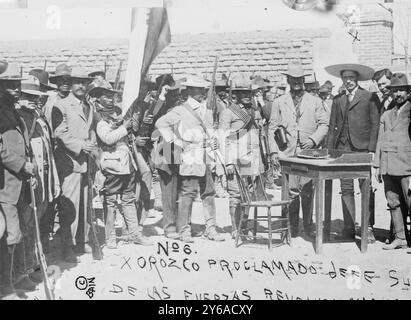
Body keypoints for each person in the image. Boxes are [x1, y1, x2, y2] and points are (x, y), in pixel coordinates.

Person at [155, 76, 225, 243]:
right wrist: (176, 142)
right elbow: (160, 123)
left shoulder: (207, 110)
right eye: (198, 90)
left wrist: (217, 155)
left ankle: (211, 228)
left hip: (206, 156)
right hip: (190, 157)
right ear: (189, 92)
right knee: (188, 193)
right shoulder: (180, 110)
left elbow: (211, 134)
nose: (202, 93)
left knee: (208, 192)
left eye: (203, 90)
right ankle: (184, 230)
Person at [268, 64, 329, 238]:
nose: (296, 83)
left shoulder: (315, 101)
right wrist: (273, 152)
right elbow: (272, 128)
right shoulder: (279, 102)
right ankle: (290, 227)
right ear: (288, 80)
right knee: (290, 191)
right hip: (288, 153)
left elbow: (324, 124)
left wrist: (313, 140)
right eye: (292, 79)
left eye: (299, 79)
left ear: (303, 81)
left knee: (308, 190)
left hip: (309, 153)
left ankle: (308, 226)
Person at [90, 80, 153, 248]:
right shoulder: (97, 115)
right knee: (110, 202)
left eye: (112, 96)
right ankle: (110, 238)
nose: (111, 99)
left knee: (128, 199)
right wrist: (125, 127)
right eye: (106, 96)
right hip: (111, 164)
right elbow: (107, 138)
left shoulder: (118, 111)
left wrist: (131, 127)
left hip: (127, 161)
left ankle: (134, 233)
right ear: (98, 97)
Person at [325, 63, 380, 241]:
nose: (348, 80)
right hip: (342, 149)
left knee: (366, 187)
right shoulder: (337, 99)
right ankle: (348, 228)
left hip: (362, 148)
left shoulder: (369, 97)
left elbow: (375, 125)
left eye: (351, 77)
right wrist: (329, 150)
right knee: (346, 188)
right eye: (345, 77)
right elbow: (332, 127)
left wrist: (372, 150)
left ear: (357, 78)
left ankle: (367, 227)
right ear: (342, 79)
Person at [0, 63, 39, 297]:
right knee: (9, 236)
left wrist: (29, 172)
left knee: (19, 232)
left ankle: (17, 276)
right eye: (9, 84)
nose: (16, 88)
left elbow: (23, 145)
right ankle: (5, 285)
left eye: (17, 84)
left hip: (20, 182)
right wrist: (22, 165)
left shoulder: (13, 110)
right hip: (5, 185)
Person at [51, 67, 95, 263]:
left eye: (85, 83)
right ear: (71, 83)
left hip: (86, 161)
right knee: (70, 206)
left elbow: (90, 129)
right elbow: (60, 133)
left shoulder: (88, 105)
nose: (81, 86)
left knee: (85, 203)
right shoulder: (61, 105)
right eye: (78, 82)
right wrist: (80, 146)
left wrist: (91, 145)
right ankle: (67, 246)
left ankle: (81, 240)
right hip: (70, 163)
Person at [17, 76, 60, 255]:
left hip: (43, 180)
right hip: (26, 182)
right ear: (19, 97)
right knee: (25, 226)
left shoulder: (38, 119)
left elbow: (48, 154)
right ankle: (23, 269)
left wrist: (54, 180)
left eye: (36, 97)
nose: (34, 100)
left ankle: (33, 262)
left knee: (36, 222)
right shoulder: (16, 119)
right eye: (29, 96)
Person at [219, 74, 265, 238]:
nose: (247, 96)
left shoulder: (254, 111)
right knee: (236, 195)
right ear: (235, 95)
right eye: (243, 93)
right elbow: (223, 139)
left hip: (252, 159)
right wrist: (228, 162)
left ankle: (244, 226)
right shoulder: (228, 113)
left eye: (249, 93)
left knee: (249, 195)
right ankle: (235, 228)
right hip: (236, 160)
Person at [373, 73, 411, 251]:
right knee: (393, 202)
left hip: (406, 166)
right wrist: (377, 165)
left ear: (408, 92)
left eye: (402, 90)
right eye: (395, 90)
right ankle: (401, 238)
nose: (398, 94)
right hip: (388, 165)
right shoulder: (387, 114)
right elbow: (380, 140)